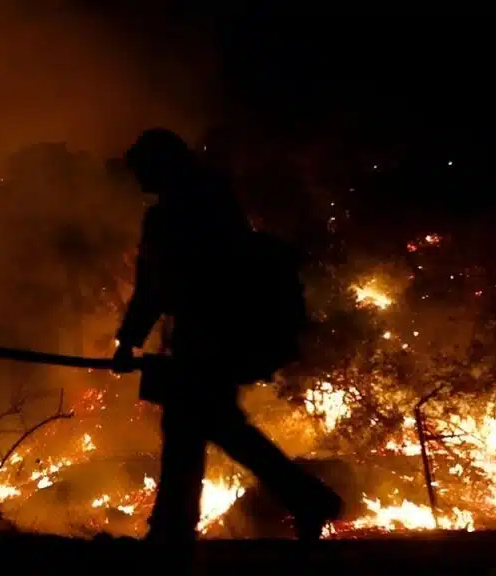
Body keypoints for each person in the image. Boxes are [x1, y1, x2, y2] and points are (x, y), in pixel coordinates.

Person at [111, 128, 343, 570]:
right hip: (208, 339)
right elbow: (155, 287)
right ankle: (177, 533)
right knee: (207, 431)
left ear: (160, 167)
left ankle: (176, 535)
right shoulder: (206, 203)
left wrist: (131, 341)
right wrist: (130, 340)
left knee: (202, 431)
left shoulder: (183, 213)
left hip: (208, 339)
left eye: (142, 168)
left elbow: (159, 286)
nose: (137, 177)